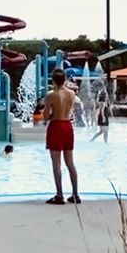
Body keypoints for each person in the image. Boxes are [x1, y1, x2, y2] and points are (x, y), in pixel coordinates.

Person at [43, 68, 79, 205]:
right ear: (64, 80)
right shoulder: (72, 94)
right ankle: (75, 194)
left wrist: (51, 115)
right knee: (70, 162)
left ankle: (59, 195)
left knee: (56, 164)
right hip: (68, 126)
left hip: (56, 126)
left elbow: (46, 116)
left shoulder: (50, 95)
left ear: (53, 80)